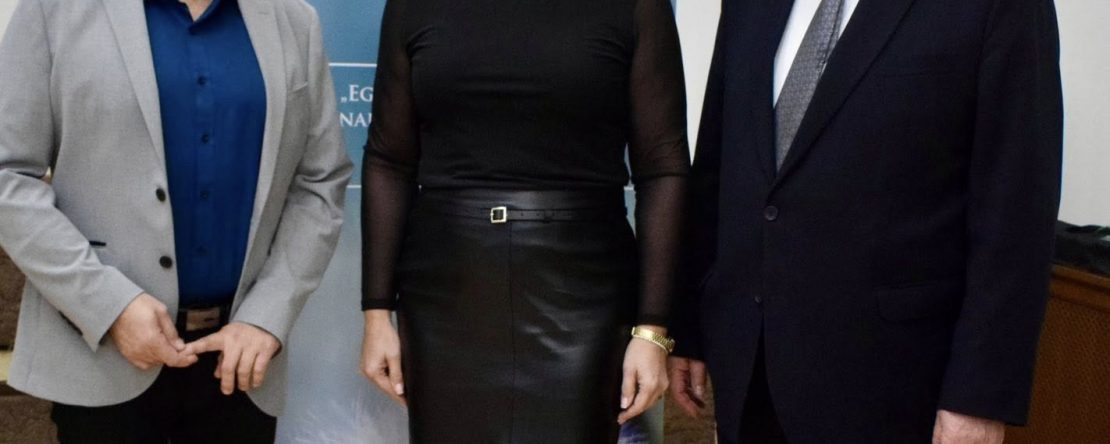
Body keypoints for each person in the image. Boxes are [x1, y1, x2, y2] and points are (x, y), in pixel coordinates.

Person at [668, 0, 1064, 443]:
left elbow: (1015, 211)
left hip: (892, 384)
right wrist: (690, 327)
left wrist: (979, 398)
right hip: (748, 366)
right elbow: (718, 163)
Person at [0, 0, 352, 441]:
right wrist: (108, 306)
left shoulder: (295, 20)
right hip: (101, 357)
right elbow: (9, 176)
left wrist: (268, 314)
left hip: (240, 366)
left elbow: (320, 181)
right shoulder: (54, 10)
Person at [357, 0, 689, 441]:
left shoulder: (636, 7)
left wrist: (652, 329)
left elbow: (663, 168)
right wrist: (376, 313)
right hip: (446, 296)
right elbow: (389, 160)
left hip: (585, 297)